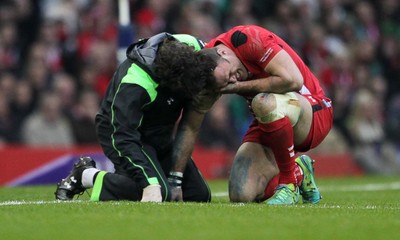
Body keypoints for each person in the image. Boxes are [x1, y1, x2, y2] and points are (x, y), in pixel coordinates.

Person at [55, 33, 229, 202]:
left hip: (161, 132)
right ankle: (86, 175)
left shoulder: (194, 46)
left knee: (198, 195)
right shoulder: (135, 83)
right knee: (159, 193)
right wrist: (149, 184)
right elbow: (123, 136)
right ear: (170, 82)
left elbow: (218, 53)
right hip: (124, 134)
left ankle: (144, 179)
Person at [198, 25, 333, 204]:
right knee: (241, 195)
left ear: (223, 52)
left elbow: (293, 80)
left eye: (231, 74)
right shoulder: (209, 60)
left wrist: (236, 88)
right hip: (270, 119)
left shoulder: (249, 39)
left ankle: (289, 183)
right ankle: (299, 171)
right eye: (226, 81)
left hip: (312, 110)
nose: (232, 80)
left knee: (262, 102)